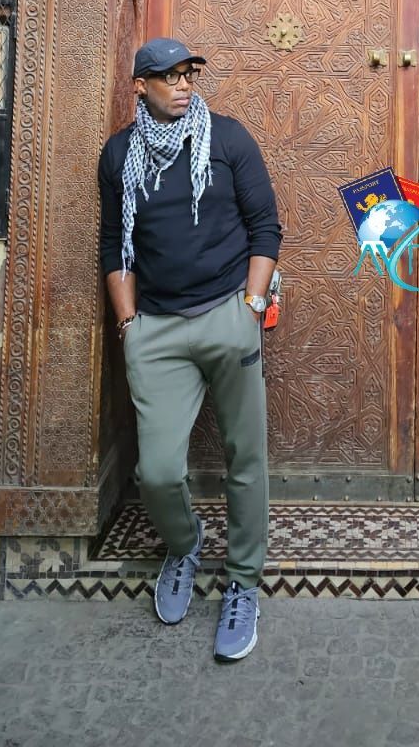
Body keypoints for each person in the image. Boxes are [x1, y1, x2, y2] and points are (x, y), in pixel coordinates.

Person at [98, 37, 282, 658]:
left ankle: (244, 583)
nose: (183, 85)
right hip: (157, 329)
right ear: (140, 87)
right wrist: (129, 325)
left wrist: (251, 307)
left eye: (188, 74)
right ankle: (184, 545)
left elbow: (265, 226)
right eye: (169, 76)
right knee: (156, 471)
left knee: (245, 460)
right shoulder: (119, 155)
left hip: (228, 315)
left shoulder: (227, 139)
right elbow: (114, 244)